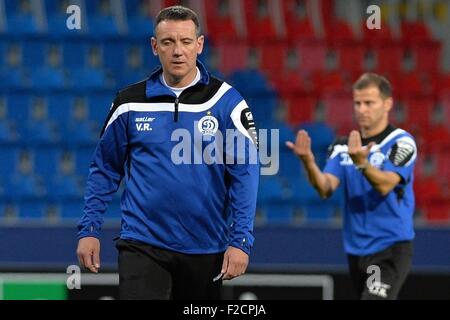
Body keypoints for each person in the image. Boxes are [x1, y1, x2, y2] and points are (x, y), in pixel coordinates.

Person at [76, 6, 259, 300]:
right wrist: (89, 229)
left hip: (205, 246)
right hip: (141, 243)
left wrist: (241, 240)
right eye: (168, 42)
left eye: (186, 42)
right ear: (154, 46)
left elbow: (245, 174)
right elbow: (105, 169)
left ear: (199, 44)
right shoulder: (129, 103)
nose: (177, 51)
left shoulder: (228, 103)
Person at [287, 73, 417, 300]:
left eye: (369, 103)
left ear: (387, 104)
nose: (362, 109)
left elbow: (386, 184)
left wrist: (362, 164)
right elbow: (325, 187)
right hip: (356, 249)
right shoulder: (342, 146)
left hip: (389, 247)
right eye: (357, 103)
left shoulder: (400, 142)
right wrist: (308, 162)